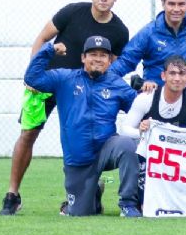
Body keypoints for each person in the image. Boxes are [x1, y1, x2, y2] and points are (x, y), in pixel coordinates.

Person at [0, 0, 130, 216]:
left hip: (85, 91)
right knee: (28, 134)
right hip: (52, 82)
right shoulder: (72, 12)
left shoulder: (119, 30)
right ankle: (12, 194)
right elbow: (42, 38)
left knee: (85, 137)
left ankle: (85, 192)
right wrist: (34, 74)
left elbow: (117, 62)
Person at [24, 36, 140, 217]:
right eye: (93, 54)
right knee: (80, 213)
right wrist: (49, 50)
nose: (98, 59)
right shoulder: (65, 78)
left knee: (127, 144)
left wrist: (144, 92)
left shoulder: (117, 84)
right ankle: (93, 194)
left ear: (110, 60)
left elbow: (140, 109)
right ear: (83, 58)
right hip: (78, 157)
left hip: (107, 148)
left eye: (103, 55)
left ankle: (128, 204)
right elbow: (32, 78)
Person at [117, 55, 186, 139]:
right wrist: (141, 132)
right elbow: (124, 130)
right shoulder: (147, 97)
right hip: (149, 151)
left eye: (181, 73)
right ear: (163, 76)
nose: (177, 78)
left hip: (179, 148)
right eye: (172, 73)